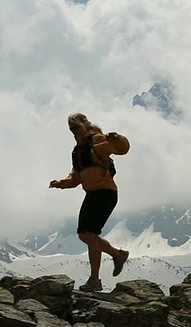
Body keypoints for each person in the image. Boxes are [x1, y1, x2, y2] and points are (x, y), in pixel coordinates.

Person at [49, 113, 131, 292]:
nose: (74, 132)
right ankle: (118, 255)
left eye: (76, 127)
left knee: (89, 235)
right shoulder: (78, 151)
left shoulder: (97, 140)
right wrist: (61, 184)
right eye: (71, 129)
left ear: (85, 125)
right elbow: (76, 177)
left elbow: (122, 148)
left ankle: (95, 280)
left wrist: (116, 138)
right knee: (85, 235)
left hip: (105, 193)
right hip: (93, 194)